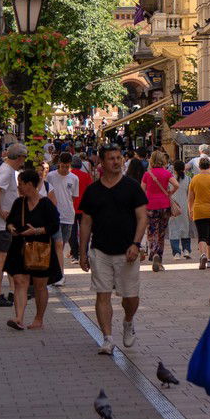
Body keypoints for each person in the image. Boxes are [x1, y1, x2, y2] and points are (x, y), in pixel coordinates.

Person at [78, 144, 148, 354]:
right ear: (102, 162)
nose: (116, 162)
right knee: (102, 294)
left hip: (127, 251)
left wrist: (136, 244)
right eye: (111, 158)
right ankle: (107, 338)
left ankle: (128, 320)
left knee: (130, 297)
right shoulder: (93, 191)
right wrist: (82, 252)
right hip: (100, 250)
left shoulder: (132, 187)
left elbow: (142, 217)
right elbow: (86, 222)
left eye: (119, 158)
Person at [3, 169, 63, 330]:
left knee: (39, 285)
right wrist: (11, 228)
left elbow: (54, 226)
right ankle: (19, 318)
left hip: (40, 250)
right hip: (20, 248)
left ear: (30, 184)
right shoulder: (19, 203)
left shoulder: (46, 204)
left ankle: (38, 318)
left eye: (21, 184)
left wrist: (36, 231)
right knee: (19, 281)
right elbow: (9, 221)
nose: (19, 187)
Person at [0, 145, 24, 308]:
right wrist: (1, 210)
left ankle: (12, 291)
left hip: (4, 223)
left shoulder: (6, 169)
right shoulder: (7, 171)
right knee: (1, 257)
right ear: (19, 157)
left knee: (8, 256)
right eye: (23, 159)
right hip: (1, 224)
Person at [44, 154, 79, 285]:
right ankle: (59, 275)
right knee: (57, 246)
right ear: (59, 163)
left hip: (68, 216)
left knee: (62, 245)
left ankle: (56, 273)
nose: (64, 169)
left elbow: (73, 197)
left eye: (67, 166)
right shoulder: (51, 176)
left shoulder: (74, 178)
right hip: (54, 216)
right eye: (62, 166)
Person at [141, 149, 177, 271]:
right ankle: (159, 259)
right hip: (164, 205)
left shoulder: (147, 174)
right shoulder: (167, 173)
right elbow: (176, 184)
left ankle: (154, 253)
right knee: (161, 233)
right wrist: (170, 192)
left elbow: (141, 190)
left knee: (152, 232)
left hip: (150, 206)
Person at [187, 156, 210, 269]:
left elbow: (190, 198)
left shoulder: (195, 179)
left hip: (199, 211)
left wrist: (190, 210)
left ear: (199, 167)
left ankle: (203, 255)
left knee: (202, 236)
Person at [68, 152, 94, 264]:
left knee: (72, 232)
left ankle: (75, 254)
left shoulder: (69, 176)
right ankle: (84, 252)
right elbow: (91, 191)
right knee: (85, 231)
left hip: (71, 207)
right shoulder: (86, 176)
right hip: (84, 208)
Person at [167, 159, 192, 260]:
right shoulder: (189, 179)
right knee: (185, 228)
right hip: (185, 206)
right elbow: (190, 195)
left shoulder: (170, 179)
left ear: (174, 169)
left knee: (173, 229)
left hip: (173, 206)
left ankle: (176, 253)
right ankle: (186, 250)